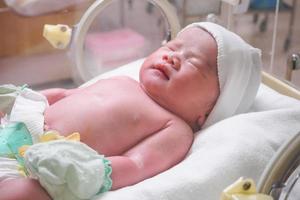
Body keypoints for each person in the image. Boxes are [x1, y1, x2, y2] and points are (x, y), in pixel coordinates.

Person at [0, 22, 261, 200]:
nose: (172, 57)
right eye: (172, 47)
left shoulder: (175, 129)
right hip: (17, 127)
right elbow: (67, 95)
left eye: (194, 62)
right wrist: (24, 99)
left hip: (44, 168)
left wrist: (86, 170)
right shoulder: (124, 81)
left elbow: (137, 165)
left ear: (209, 110)